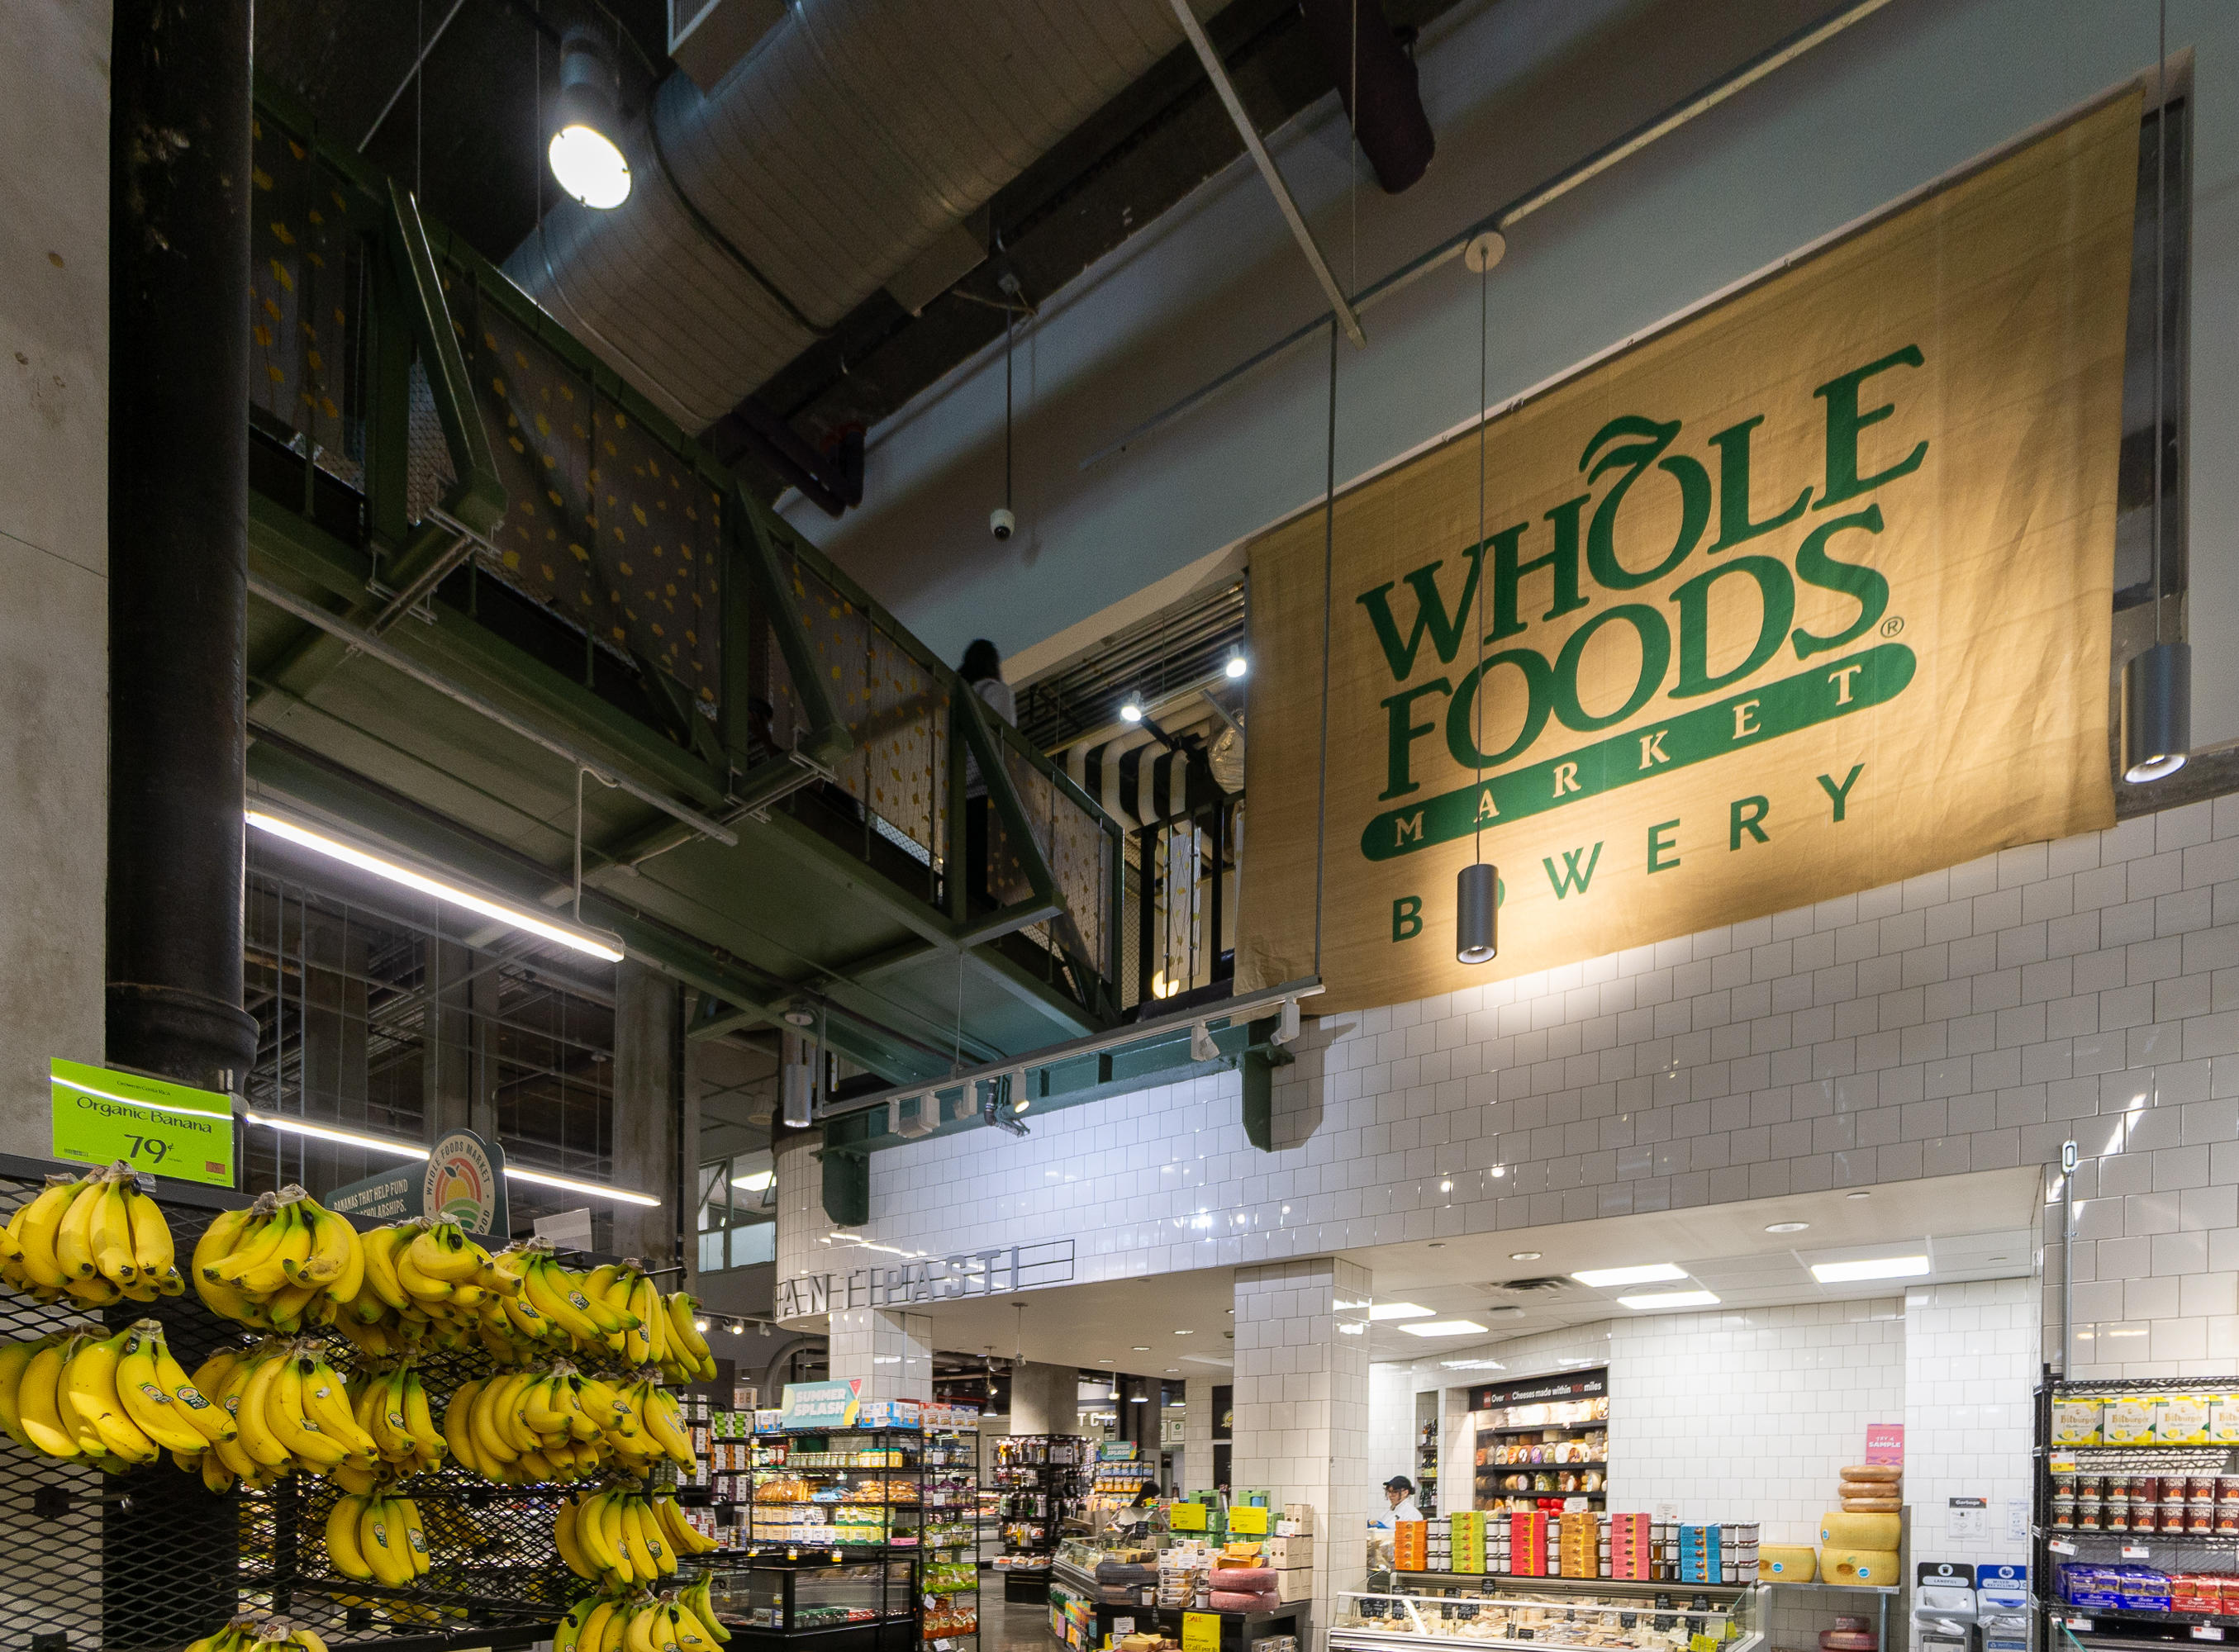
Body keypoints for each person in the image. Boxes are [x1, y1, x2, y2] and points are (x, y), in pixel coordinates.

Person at [959, 638, 1015, 906]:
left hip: (959, 796)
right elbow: (996, 740)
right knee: (990, 864)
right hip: (985, 791)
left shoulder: (960, 695)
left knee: (968, 865)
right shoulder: (996, 691)